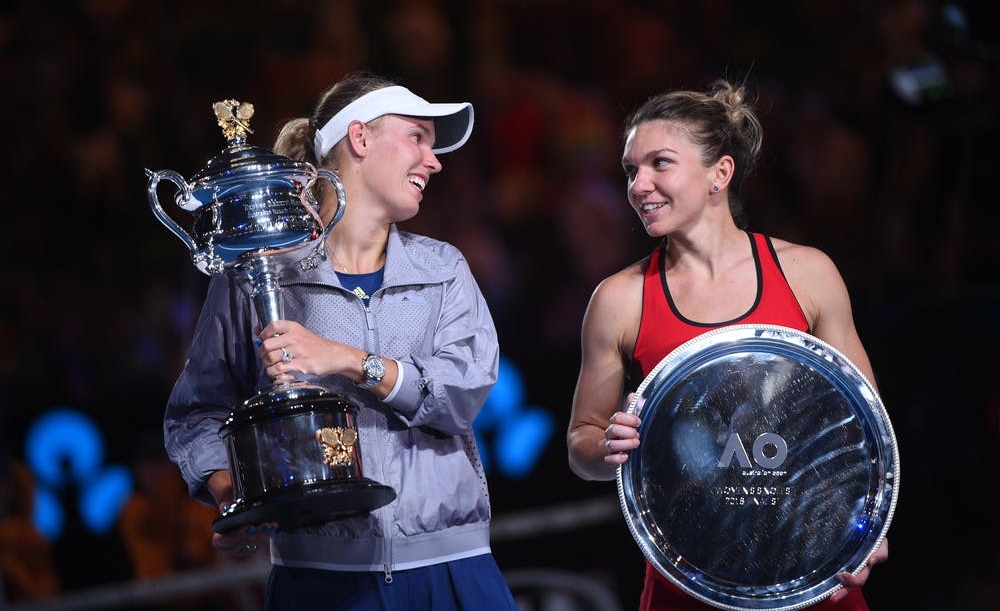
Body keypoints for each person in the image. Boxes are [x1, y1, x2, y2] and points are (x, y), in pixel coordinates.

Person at [164, 72, 518, 611]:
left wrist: (351, 361)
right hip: (318, 580)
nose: (435, 160)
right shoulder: (255, 273)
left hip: (454, 569)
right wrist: (228, 488)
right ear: (360, 138)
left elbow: (462, 395)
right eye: (418, 137)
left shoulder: (444, 268)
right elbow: (197, 411)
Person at [566, 80, 889, 610]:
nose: (639, 185)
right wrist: (609, 448)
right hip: (689, 579)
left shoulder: (808, 274)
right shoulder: (619, 300)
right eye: (630, 171)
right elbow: (583, 442)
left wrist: (872, 527)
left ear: (720, 173)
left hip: (811, 570)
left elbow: (864, 430)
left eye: (659, 164)